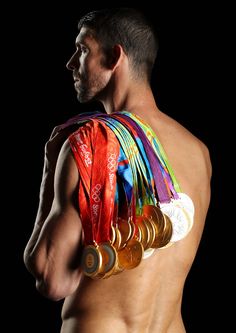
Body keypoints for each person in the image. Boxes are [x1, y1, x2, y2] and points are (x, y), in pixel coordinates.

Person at [23, 7, 212, 333]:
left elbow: (52, 279)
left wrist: (49, 167)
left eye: (83, 50)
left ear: (114, 57)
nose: (71, 63)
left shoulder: (92, 142)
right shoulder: (198, 152)